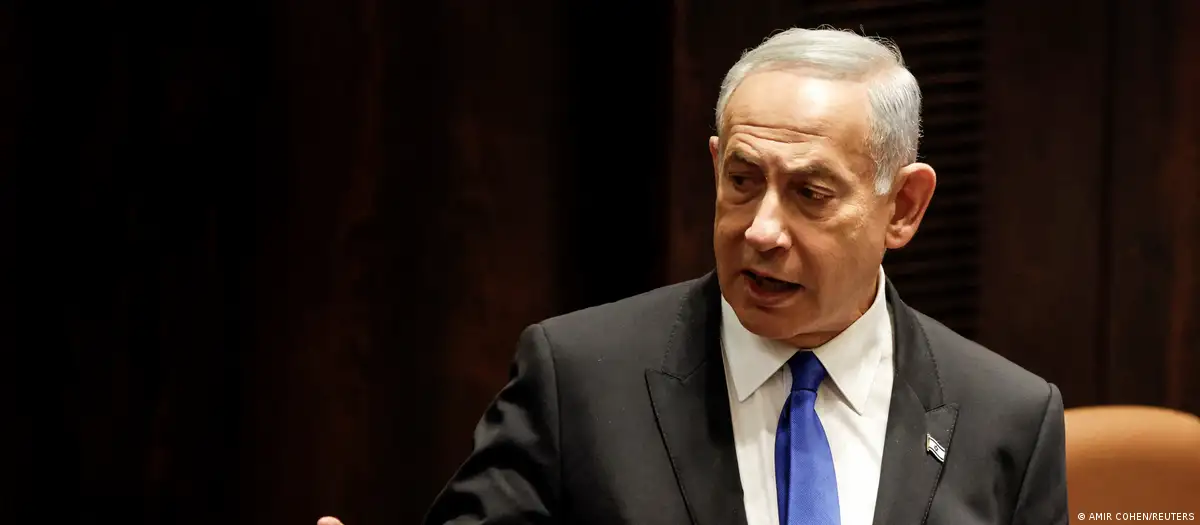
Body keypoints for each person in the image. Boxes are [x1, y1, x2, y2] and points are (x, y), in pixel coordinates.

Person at [321, 26, 1067, 525]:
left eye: (810, 193)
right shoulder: (577, 380)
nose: (762, 230)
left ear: (902, 208)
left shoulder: (1009, 417)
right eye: (743, 180)